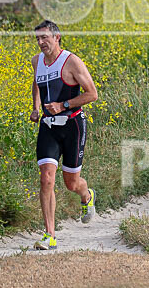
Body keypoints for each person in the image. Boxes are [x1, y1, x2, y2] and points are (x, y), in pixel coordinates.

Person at [30, 20, 98, 250]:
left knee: (71, 183)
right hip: (48, 127)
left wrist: (63, 104)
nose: (40, 43)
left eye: (44, 38)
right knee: (46, 178)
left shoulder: (71, 62)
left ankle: (86, 195)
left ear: (57, 37)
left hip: (72, 126)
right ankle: (49, 235)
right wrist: (36, 108)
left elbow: (92, 94)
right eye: (37, 39)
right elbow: (37, 83)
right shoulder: (37, 61)